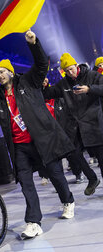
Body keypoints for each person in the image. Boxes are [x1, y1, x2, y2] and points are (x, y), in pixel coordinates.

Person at [0, 30, 75, 239]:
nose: (0, 75)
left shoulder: (28, 82)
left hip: (41, 141)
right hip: (19, 147)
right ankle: (33, 221)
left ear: (11, 73)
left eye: (3, 71)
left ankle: (68, 200)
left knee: (56, 175)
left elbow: (41, 65)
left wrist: (34, 44)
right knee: (26, 183)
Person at [43, 53, 103, 194]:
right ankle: (92, 178)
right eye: (67, 71)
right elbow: (50, 93)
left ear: (77, 66)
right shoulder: (64, 84)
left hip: (94, 123)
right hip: (76, 127)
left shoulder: (92, 76)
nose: (70, 73)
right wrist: (45, 87)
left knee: (101, 156)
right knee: (72, 152)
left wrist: (89, 89)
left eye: (72, 69)